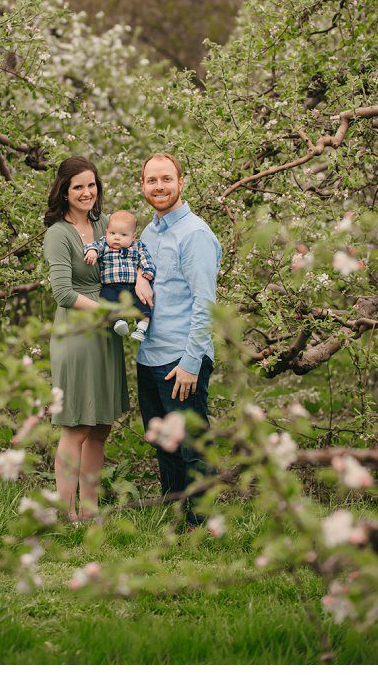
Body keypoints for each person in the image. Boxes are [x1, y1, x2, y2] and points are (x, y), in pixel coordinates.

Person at [132, 152, 223, 529]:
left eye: (166, 179)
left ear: (181, 182)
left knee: (191, 447)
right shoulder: (150, 232)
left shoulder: (195, 234)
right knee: (164, 444)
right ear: (143, 186)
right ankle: (175, 518)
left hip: (181, 359)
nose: (159, 187)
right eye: (152, 180)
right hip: (150, 354)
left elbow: (206, 304)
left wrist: (191, 362)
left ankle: (201, 525)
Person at [41, 156, 130, 522]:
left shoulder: (107, 224)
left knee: (100, 426)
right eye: (78, 186)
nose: (86, 192)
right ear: (64, 191)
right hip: (78, 332)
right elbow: (63, 292)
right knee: (76, 424)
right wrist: (105, 310)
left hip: (106, 335)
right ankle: (66, 513)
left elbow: (130, 259)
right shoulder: (58, 234)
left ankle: (90, 510)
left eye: (91, 185)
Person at [84, 208, 156, 341]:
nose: (117, 237)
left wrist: (147, 271)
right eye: (112, 233)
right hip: (111, 286)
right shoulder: (104, 244)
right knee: (107, 298)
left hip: (133, 286)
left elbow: (146, 259)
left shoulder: (137, 246)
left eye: (123, 235)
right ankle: (119, 321)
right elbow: (93, 246)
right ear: (106, 232)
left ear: (133, 237)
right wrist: (92, 251)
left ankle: (142, 326)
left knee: (143, 303)